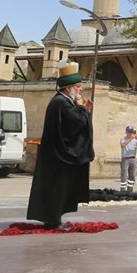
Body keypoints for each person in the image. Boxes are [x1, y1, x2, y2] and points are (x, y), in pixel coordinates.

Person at [26, 61, 94, 229]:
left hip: (58, 156)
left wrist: (81, 109)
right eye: (78, 87)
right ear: (68, 87)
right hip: (59, 157)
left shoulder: (63, 102)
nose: (80, 90)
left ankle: (54, 218)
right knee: (56, 189)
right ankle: (52, 221)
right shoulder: (61, 103)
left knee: (60, 189)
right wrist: (83, 109)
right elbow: (74, 124)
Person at [119, 125, 137, 192]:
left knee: (132, 175)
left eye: (131, 132)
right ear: (126, 132)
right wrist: (130, 139)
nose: (130, 133)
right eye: (129, 132)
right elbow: (122, 145)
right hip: (125, 159)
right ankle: (122, 189)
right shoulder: (123, 138)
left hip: (133, 159)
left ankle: (130, 189)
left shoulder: (135, 140)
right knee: (123, 174)